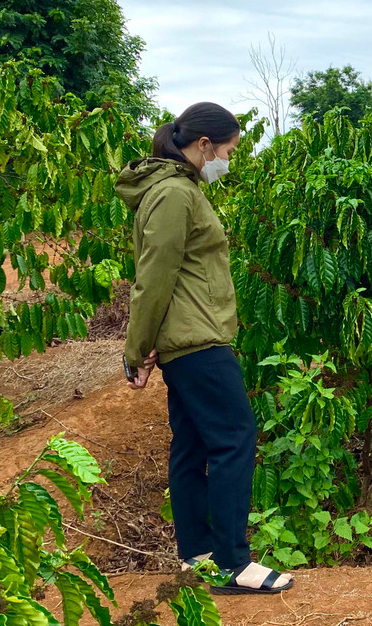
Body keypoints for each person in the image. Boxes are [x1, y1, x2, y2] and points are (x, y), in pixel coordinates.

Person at [116, 103, 293, 594]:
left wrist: (147, 346)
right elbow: (154, 276)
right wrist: (136, 350)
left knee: (192, 444)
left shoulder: (175, 189)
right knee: (235, 437)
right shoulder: (175, 193)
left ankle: (198, 557)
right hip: (197, 340)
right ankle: (234, 564)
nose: (229, 161)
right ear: (204, 146)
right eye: (229, 151)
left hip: (184, 339)